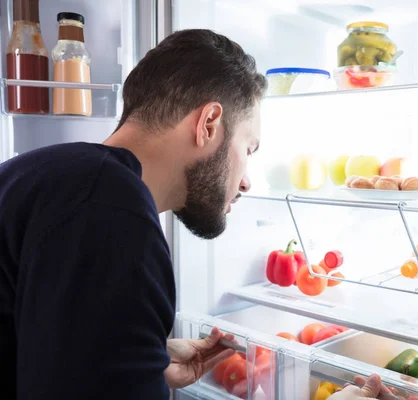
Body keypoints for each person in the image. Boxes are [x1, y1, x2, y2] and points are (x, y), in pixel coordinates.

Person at [0, 29, 386, 399]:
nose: (246, 181)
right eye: (248, 149)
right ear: (208, 124)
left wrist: (146, 359)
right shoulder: (114, 214)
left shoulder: (47, 171)